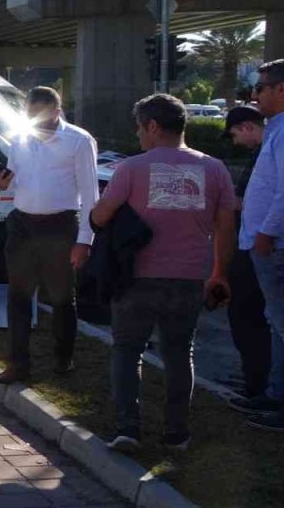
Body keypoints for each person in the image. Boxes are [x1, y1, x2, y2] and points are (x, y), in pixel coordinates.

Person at [92, 94, 235, 453]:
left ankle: (128, 428)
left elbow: (100, 216)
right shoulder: (216, 169)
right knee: (179, 353)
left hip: (137, 277)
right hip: (189, 278)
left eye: (139, 128)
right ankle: (176, 433)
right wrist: (218, 273)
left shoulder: (130, 169)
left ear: (153, 127)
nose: (138, 135)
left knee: (127, 349)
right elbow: (226, 227)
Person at [0, 86, 99, 384]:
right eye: (28, 114)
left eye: (39, 114)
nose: (33, 120)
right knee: (18, 296)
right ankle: (17, 364)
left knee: (62, 298)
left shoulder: (78, 141)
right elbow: (14, 178)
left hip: (60, 227)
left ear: (56, 110)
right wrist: (4, 183)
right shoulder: (20, 137)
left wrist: (84, 240)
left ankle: (63, 359)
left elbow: (91, 194)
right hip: (22, 226)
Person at [240, 59, 284, 432]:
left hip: (276, 245)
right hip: (268, 243)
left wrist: (266, 234)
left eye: (262, 87)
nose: (255, 94)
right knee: (276, 323)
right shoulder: (276, 129)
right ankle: (273, 394)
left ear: (281, 89)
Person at [223, 106, 276, 407]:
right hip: (255, 240)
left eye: (233, 135)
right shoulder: (266, 150)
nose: (234, 142)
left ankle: (259, 384)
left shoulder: (270, 149)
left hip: (259, 243)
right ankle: (255, 376)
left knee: (246, 313)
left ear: (246, 127)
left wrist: (224, 198)